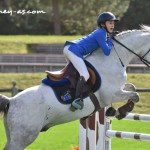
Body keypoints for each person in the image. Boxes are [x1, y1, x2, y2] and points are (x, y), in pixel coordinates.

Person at [63, 12, 119, 111]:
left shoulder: (101, 33)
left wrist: (108, 39)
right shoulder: (101, 33)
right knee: (85, 74)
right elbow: (107, 51)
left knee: (74, 74)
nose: (112, 25)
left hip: (69, 48)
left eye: (113, 23)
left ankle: (66, 94)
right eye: (110, 23)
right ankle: (77, 100)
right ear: (103, 24)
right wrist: (110, 40)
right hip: (73, 50)